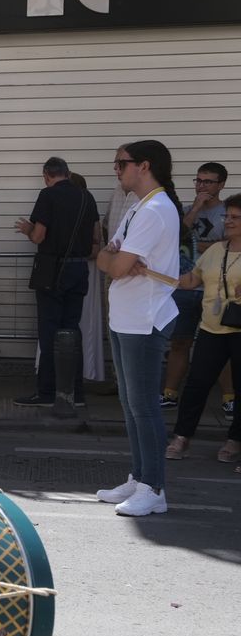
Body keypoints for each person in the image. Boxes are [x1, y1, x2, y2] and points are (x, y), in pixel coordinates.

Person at [95, 140, 182, 518]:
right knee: (131, 407)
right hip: (126, 316)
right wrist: (112, 258)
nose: (116, 170)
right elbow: (102, 254)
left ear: (144, 166)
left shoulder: (157, 209)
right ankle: (140, 477)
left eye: (121, 164)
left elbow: (112, 264)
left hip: (144, 319)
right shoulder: (138, 207)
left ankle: (154, 488)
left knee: (143, 407)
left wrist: (113, 259)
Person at [14, 157, 101, 408]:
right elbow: (96, 237)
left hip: (52, 270)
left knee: (50, 332)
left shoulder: (47, 195)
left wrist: (29, 229)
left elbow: (39, 237)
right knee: (72, 330)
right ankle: (75, 391)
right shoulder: (87, 197)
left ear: (46, 175)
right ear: (68, 173)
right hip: (79, 269)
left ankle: (48, 391)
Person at [166, 193, 241, 464]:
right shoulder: (215, 251)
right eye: (227, 216)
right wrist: (152, 274)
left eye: (235, 217)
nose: (228, 222)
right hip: (211, 329)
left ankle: (234, 441)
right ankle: (182, 437)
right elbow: (189, 281)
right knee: (197, 385)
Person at [161, 162, 232, 410]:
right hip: (185, 287)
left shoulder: (227, 213)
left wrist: (196, 244)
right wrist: (198, 208)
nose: (201, 186)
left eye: (208, 182)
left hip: (214, 290)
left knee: (219, 346)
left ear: (221, 184)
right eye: (198, 181)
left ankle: (229, 398)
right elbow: (176, 236)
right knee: (180, 341)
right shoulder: (187, 211)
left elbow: (228, 245)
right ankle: (169, 393)